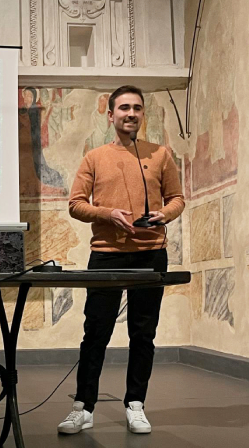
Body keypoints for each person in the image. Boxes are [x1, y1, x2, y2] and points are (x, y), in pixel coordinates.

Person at [58, 85, 185, 435]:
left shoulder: (160, 154)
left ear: (143, 114)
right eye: (124, 108)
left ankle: (135, 405)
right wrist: (106, 213)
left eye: (137, 108)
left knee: (142, 334)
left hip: (151, 255)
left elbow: (177, 198)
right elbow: (76, 204)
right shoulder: (94, 157)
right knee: (95, 332)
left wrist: (164, 214)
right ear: (110, 114)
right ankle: (83, 408)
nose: (131, 113)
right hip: (106, 255)